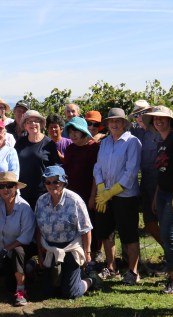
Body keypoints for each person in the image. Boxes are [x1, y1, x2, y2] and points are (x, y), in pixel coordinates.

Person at [93, 108, 142, 285]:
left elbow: (131, 172)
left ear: (124, 123)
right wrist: (101, 189)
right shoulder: (105, 143)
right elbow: (98, 167)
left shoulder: (132, 142)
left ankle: (133, 271)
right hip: (106, 195)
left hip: (126, 196)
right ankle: (111, 268)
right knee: (106, 233)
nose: (114, 124)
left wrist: (111, 192)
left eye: (118, 121)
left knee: (129, 234)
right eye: (111, 121)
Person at [36, 166, 101, 299]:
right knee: (48, 293)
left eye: (56, 181)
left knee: (71, 293)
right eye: (48, 182)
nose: (52, 185)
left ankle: (91, 280)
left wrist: (87, 254)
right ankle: (67, 278)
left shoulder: (74, 200)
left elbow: (86, 229)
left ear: (63, 182)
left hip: (71, 248)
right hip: (50, 249)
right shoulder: (41, 201)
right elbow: (38, 230)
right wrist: (40, 254)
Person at [0, 172, 36, 306]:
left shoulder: (24, 208)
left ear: (16, 187)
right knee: (9, 286)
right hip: (4, 252)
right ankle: (26, 271)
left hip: (21, 248)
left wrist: (6, 248)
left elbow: (26, 238)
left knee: (18, 251)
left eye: (9, 185)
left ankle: (22, 291)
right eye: (1, 186)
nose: (5, 189)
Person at [143, 106, 173, 294]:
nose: (158, 121)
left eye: (162, 118)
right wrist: (156, 196)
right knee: (166, 235)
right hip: (163, 193)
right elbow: (161, 173)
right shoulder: (160, 143)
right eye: (155, 119)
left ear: (170, 120)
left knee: (169, 236)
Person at [62, 117, 102, 261]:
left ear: (83, 132)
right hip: (73, 193)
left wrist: (93, 195)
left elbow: (96, 175)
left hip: (87, 192)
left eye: (76, 132)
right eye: (71, 132)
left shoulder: (94, 148)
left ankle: (93, 253)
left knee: (90, 222)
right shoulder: (70, 148)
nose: (73, 135)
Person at [130, 100, 162, 245]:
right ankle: (169, 252)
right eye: (137, 114)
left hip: (161, 180)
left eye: (143, 112)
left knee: (167, 222)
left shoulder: (159, 131)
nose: (140, 116)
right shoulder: (135, 131)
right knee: (149, 221)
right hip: (146, 182)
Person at [15, 110, 61, 208]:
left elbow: (56, 168)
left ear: (40, 124)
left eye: (36, 121)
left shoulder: (49, 144)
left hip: (43, 194)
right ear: (25, 126)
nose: (33, 124)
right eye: (29, 122)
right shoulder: (20, 143)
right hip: (22, 194)